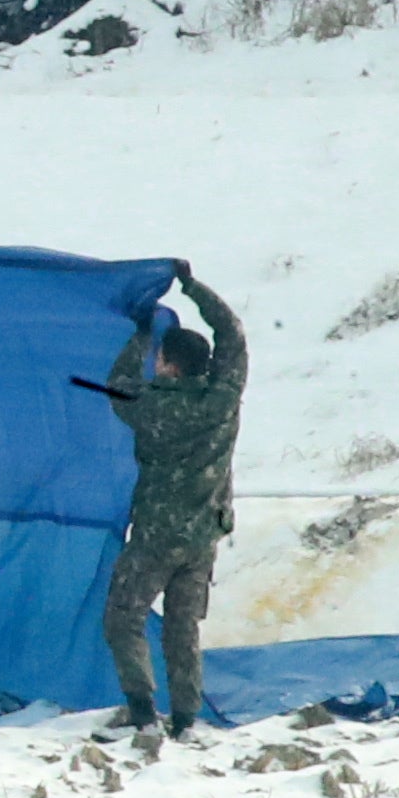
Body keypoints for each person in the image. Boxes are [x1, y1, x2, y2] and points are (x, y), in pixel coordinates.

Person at [100, 261, 247, 737]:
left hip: (156, 538)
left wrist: (141, 332)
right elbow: (232, 334)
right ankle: (185, 719)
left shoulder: (150, 406)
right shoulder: (224, 398)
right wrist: (193, 287)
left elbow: (117, 383)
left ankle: (143, 715)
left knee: (124, 618)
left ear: (168, 364)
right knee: (182, 630)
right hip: (204, 536)